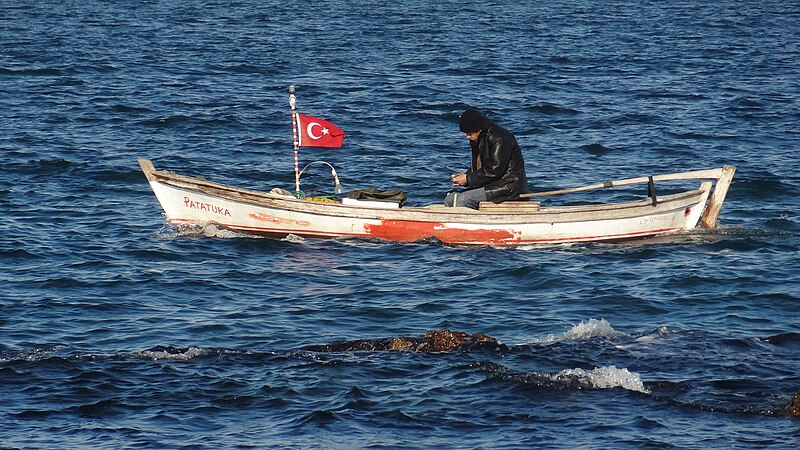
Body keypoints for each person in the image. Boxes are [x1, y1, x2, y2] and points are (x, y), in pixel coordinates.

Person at [445, 109, 528, 209]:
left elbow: (494, 170)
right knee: (450, 199)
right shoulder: (477, 139)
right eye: (466, 133)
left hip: (508, 187)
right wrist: (466, 178)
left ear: (478, 129)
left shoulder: (499, 137)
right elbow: (481, 168)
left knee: (463, 200)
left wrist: (468, 179)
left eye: (470, 133)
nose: (467, 137)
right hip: (491, 184)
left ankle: (469, 222)